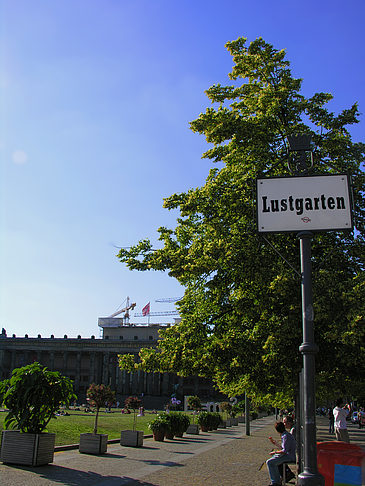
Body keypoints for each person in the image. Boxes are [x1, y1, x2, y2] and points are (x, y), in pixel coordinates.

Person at [266, 421, 296, 486]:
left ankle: (275, 481)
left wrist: (275, 452)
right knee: (273, 460)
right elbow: (284, 447)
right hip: (288, 454)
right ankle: (277, 479)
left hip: (289, 456)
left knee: (270, 462)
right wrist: (275, 443)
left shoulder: (286, 436)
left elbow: (284, 450)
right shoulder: (286, 435)